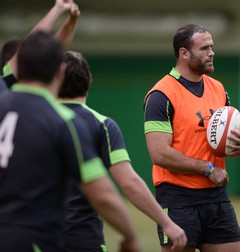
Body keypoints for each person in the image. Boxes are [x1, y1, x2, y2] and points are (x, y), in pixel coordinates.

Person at [0, 31, 139, 252]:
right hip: (35, 240)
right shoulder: (63, 122)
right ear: (60, 71)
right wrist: (130, 236)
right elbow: (102, 195)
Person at [58, 50, 187, 252]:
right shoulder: (102, 126)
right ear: (88, 80)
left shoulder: (31, 121)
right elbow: (128, 182)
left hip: (33, 238)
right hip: (82, 239)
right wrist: (166, 223)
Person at [143, 24, 240, 252]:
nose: (211, 53)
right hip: (178, 199)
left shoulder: (219, 89)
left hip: (217, 197)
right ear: (184, 53)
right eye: (204, 48)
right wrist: (208, 169)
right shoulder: (160, 95)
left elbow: (231, 142)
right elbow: (159, 153)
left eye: (212, 47)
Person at [2, 0, 80, 89]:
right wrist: (58, 9)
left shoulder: (39, 88)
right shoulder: (5, 84)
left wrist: (72, 19)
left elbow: (55, 49)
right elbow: (32, 44)